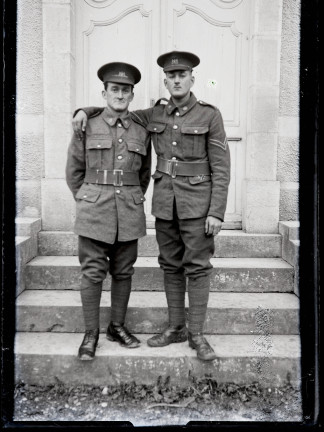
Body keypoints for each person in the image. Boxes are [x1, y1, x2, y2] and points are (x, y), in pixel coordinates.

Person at [72, 51, 230, 361]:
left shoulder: (210, 115)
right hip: (165, 204)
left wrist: (216, 211)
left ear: (192, 79)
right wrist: (82, 110)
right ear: (165, 81)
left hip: (198, 204)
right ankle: (176, 327)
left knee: (197, 268)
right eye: (171, 76)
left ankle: (197, 334)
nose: (176, 80)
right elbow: (118, 110)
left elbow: (222, 168)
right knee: (170, 265)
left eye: (181, 75)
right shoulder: (154, 114)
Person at [66, 62, 151, 360]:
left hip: (128, 209)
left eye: (125, 90)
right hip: (94, 210)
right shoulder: (86, 123)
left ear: (132, 94)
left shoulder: (142, 129)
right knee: (92, 273)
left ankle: (117, 326)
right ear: (104, 93)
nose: (120, 94)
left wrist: (132, 198)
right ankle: (91, 333)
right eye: (114, 89)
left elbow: (144, 175)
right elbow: (74, 171)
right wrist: (87, 198)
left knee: (124, 271)